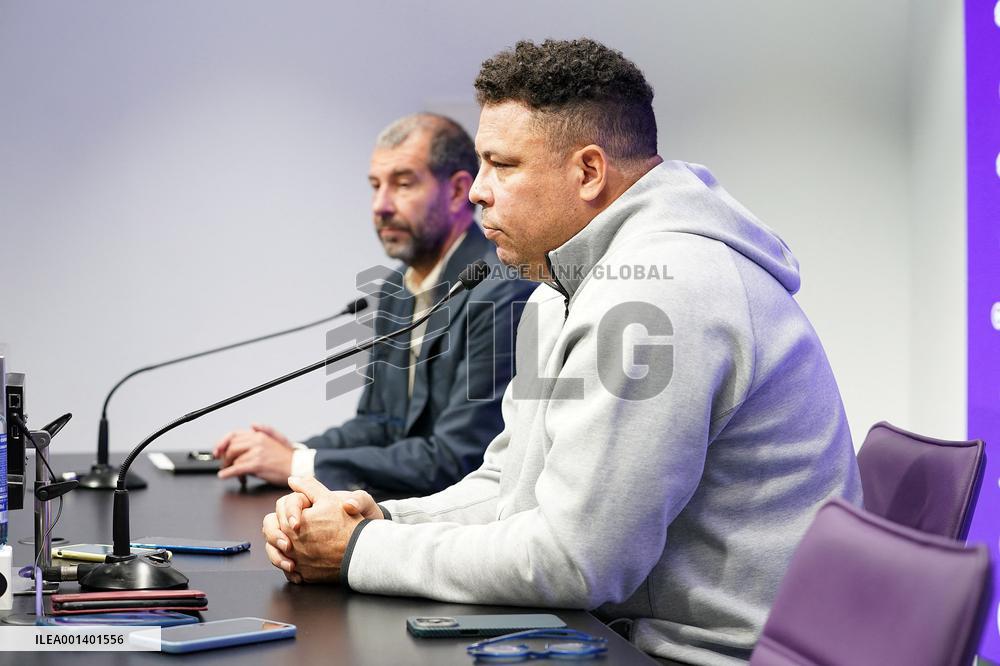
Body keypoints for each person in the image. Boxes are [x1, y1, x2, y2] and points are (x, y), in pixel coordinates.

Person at [262, 39, 862, 665]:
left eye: (503, 166)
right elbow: (511, 484)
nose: (477, 193)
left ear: (588, 172)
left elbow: (577, 562)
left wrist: (359, 551)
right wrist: (382, 519)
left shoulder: (663, 292)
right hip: (626, 633)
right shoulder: (563, 286)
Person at [214, 113, 534, 495]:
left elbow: (459, 458)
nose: (380, 206)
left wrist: (298, 465)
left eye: (402, 184)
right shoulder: (396, 289)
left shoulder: (500, 290)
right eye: (374, 186)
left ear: (455, 192)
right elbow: (379, 423)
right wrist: (293, 451)